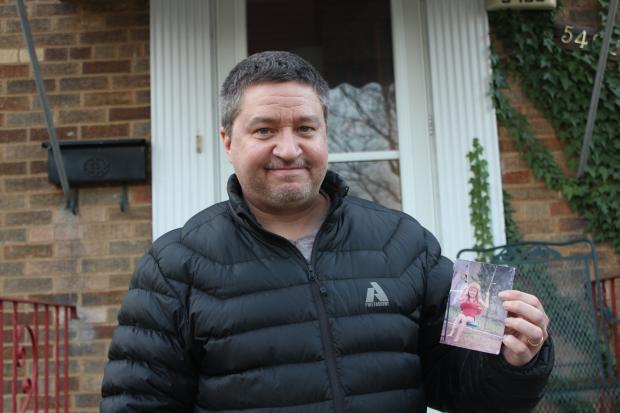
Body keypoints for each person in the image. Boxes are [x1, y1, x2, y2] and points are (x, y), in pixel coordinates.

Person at [101, 51, 553, 412]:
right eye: (264, 130)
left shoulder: (404, 243)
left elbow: (468, 391)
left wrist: (516, 361)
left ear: (325, 135)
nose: (288, 148)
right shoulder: (173, 266)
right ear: (228, 141)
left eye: (305, 128)